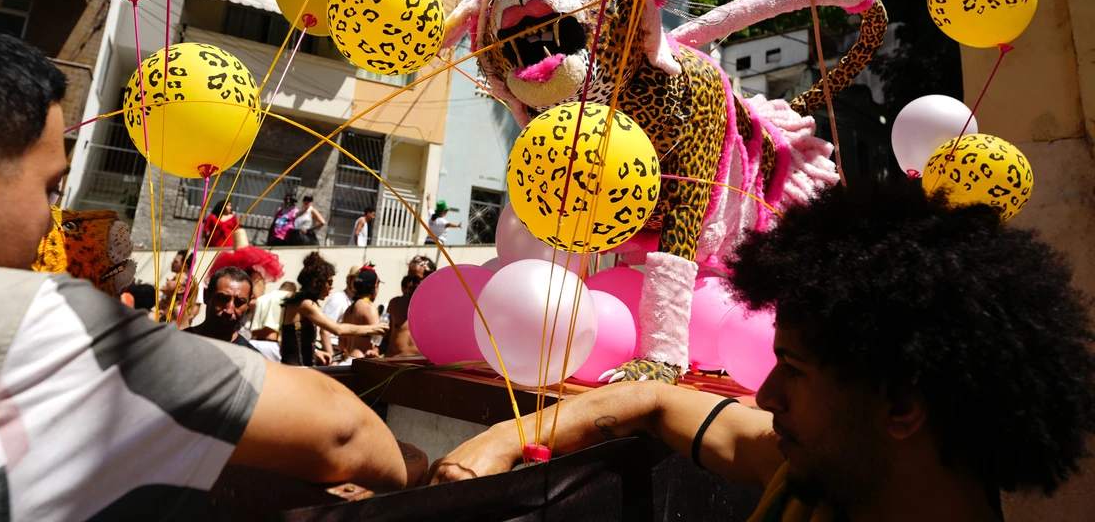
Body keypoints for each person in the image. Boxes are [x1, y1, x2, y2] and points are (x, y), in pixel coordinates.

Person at [0, 0, 416, 517]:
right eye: (50, 189)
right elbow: (343, 430)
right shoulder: (34, 323)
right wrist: (418, 468)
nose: (54, 220)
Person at [430, 182, 1095, 520]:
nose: (766, 395)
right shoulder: (813, 474)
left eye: (795, 371)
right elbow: (653, 397)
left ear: (900, 405)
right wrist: (505, 439)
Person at [281, 253, 387, 367]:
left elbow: (287, 345)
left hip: (299, 367)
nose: (331, 287)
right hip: (296, 370)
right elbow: (337, 329)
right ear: (316, 283)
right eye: (329, 282)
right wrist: (373, 328)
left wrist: (315, 353)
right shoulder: (306, 304)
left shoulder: (302, 302)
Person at [187, 266, 259, 352]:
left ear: (248, 304)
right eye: (222, 299)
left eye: (239, 302)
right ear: (206, 296)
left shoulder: (251, 357)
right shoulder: (177, 341)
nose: (229, 311)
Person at [339, 267, 382, 360]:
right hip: (362, 359)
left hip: (348, 358)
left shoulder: (349, 310)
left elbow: (342, 342)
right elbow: (378, 340)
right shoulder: (369, 309)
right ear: (375, 287)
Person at [322, 263, 360, 351]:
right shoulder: (338, 298)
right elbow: (325, 330)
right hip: (335, 350)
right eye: (356, 280)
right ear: (348, 280)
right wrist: (331, 356)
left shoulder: (356, 301)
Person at [384, 274, 422, 357]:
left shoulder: (436, 309)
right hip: (393, 360)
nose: (412, 284)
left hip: (419, 362)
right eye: (410, 279)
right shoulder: (395, 304)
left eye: (416, 279)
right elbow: (385, 336)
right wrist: (375, 350)